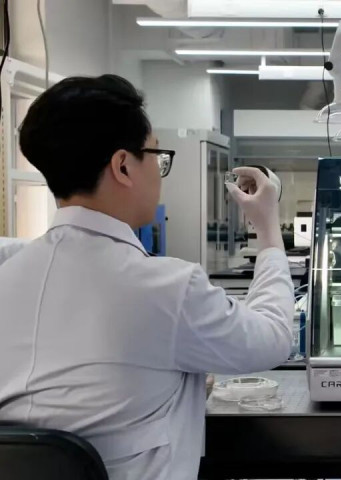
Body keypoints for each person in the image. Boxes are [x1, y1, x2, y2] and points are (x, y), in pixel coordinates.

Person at [0, 75, 294, 480]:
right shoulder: (168, 290)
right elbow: (274, 337)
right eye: (156, 154)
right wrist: (268, 229)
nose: (159, 169)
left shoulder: (8, 275)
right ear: (123, 165)